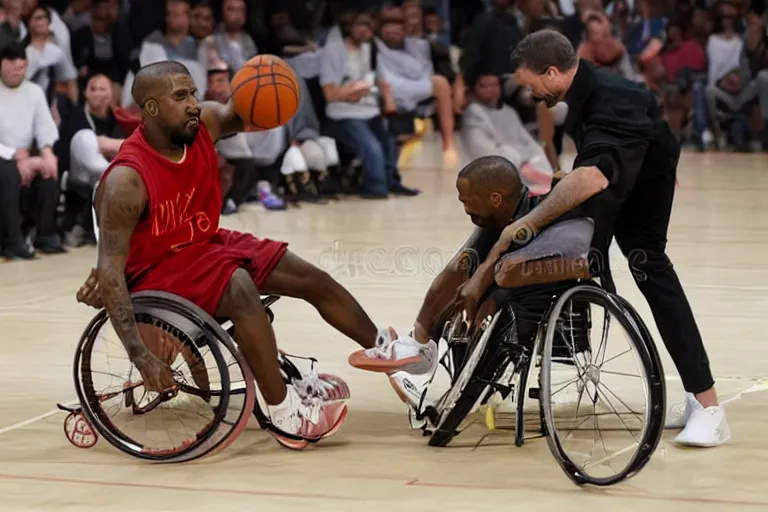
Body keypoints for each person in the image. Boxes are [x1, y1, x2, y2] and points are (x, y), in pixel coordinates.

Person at [73, 60, 433, 450]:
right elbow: (110, 270)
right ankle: (284, 412)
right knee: (239, 286)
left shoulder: (206, 123)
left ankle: (383, 345)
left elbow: (244, 113)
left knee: (301, 271)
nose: (194, 103)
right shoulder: (126, 180)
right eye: (181, 96)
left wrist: (275, 91)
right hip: (157, 273)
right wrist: (139, 355)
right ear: (151, 108)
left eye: (193, 92)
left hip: (204, 246)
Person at [460, 29, 725, 447]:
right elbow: (585, 169)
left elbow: (593, 176)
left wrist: (521, 226)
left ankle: (708, 407)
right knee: (524, 237)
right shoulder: (580, 93)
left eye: (531, 85)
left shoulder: (617, 97)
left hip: (640, 195)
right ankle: (440, 336)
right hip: (612, 188)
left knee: (651, 273)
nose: (529, 94)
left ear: (552, 72)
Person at [348, 156, 592, 409]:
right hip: (512, 261)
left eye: (465, 199)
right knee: (463, 263)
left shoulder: (538, 223)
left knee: (483, 287)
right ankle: (419, 344)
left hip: (547, 276)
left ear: (495, 199)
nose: (462, 205)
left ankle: (434, 356)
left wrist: (479, 284)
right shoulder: (504, 214)